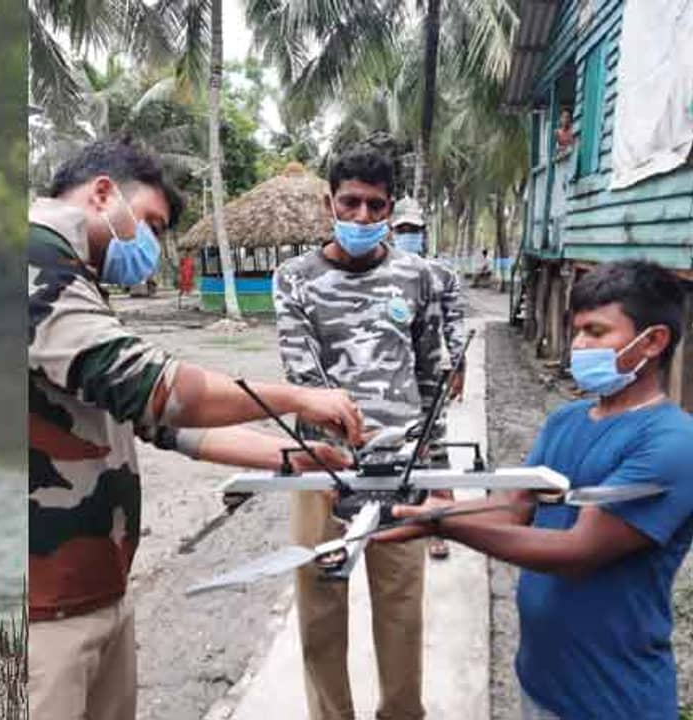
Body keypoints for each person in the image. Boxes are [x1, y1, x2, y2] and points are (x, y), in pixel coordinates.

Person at [28, 136, 363, 720]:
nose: (153, 246)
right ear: (103, 193)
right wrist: (300, 398)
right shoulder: (30, 262)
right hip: (38, 611)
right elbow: (160, 391)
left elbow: (160, 426)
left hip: (92, 591)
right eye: (151, 224)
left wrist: (292, 458)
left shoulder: (78, 279)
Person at [378, 260, 693, 719]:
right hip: (541, 679)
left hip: (614, 697)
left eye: (596, 332)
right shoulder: (567, 420)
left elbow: (578, 551)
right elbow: (512, 505)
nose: (579, 345)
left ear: (655, 340)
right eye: (577, 330)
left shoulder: (674, 444)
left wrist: (442, 523)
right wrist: (417, 510)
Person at [274, 147, 447, 720]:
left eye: (375, 205)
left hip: (402, 471)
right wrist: (340, 453)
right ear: (330, 202)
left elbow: (431, 379)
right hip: (323, 467)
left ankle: (402, 713)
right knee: (320, 606)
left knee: (402, 608)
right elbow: (303, 375)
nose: (362, 214)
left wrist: (438, 474)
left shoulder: (419, 277)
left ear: (390, 210)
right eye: (350, 201)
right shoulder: (294, 279)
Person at [391, 196, 465, 560]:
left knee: (435, 446)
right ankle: (399, 517)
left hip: (430, 374)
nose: (408, 236)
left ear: (424, 234)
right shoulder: (379, 274)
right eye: (402, 230)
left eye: (414, 231)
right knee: (395, 447)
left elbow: (454, 323)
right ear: (392, 232)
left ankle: (439, 524)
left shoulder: (443, 274)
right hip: (390, 377)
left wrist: (458, 367)